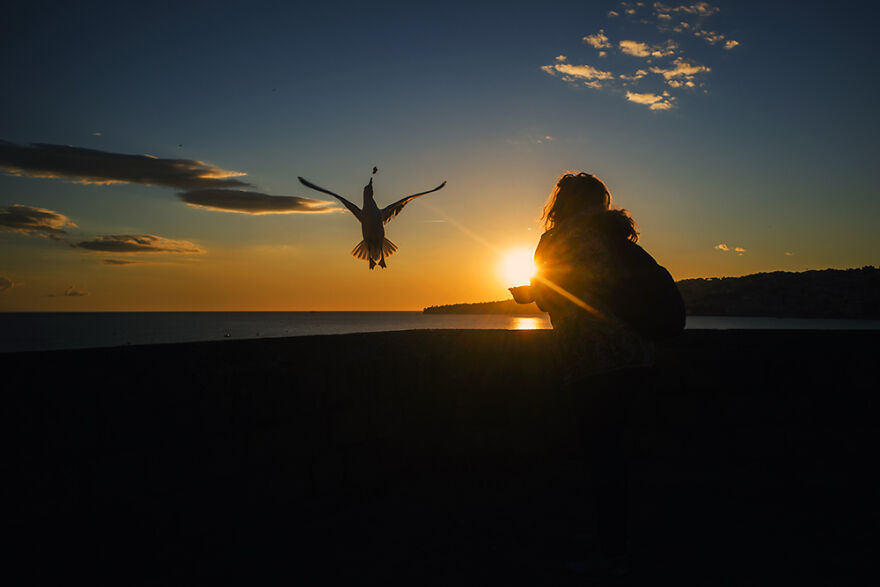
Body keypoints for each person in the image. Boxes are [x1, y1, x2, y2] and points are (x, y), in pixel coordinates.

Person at [511, 171, 657, 576]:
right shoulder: (616, 237)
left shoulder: (554, 242)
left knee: (598, 456)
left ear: (562, 205)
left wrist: (531, 294)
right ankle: (621, 545)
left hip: (588, 359)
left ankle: (608, 551)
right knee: (621, 453)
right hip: (636, 355)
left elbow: (547, 298)